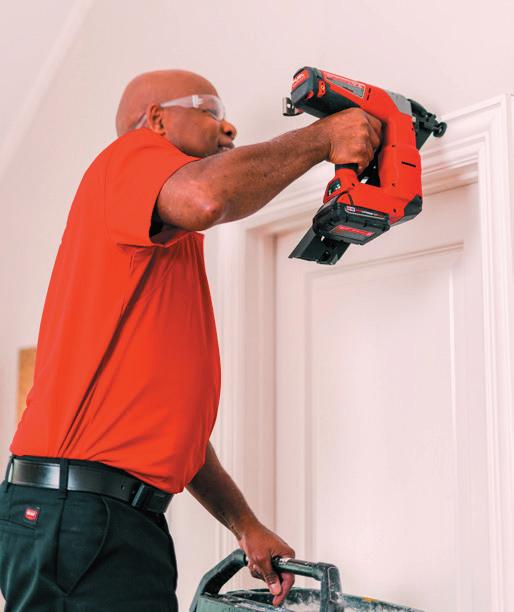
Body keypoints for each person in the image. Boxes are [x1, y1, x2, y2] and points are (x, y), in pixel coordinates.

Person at [0, 69, 382, 611]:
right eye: (209, 109)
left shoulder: (158, 251)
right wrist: (324, 137)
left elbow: (177, 435)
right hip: (81, 515)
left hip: (109, 518)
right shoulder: (128, 156)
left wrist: (244, 525)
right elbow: (206, 196)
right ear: (156, 120)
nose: (229, 127)